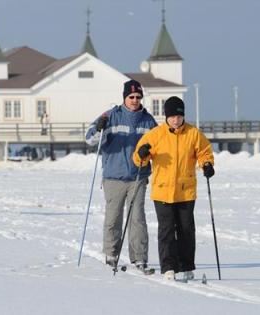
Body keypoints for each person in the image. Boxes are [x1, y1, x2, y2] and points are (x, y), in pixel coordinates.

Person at [133, 96, 215, 282]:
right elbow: (139, 158)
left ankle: (186, 266)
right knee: (166, 230)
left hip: (186, 191)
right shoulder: (155, 134)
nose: (176, 120)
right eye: (172, 116)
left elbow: (204, 152)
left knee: (186, 230)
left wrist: (207, 164)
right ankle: (168, 267)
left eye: (179, 116)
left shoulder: (193, 133)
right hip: (162, 191)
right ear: (166, 116)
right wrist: (142, 154)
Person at [85, 79, 158, 273]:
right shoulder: (110, 116)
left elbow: (159, 146)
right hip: (114, 177)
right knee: (113, 217)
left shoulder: (148, 120)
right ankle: (111, 254)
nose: (135, 100)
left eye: (138, 97)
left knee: (138, 218)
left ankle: (140, 258)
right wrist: (99, 128)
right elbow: (90, 140)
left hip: (138, 177)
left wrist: (148, 154)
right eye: (131, 97)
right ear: (124, 97)